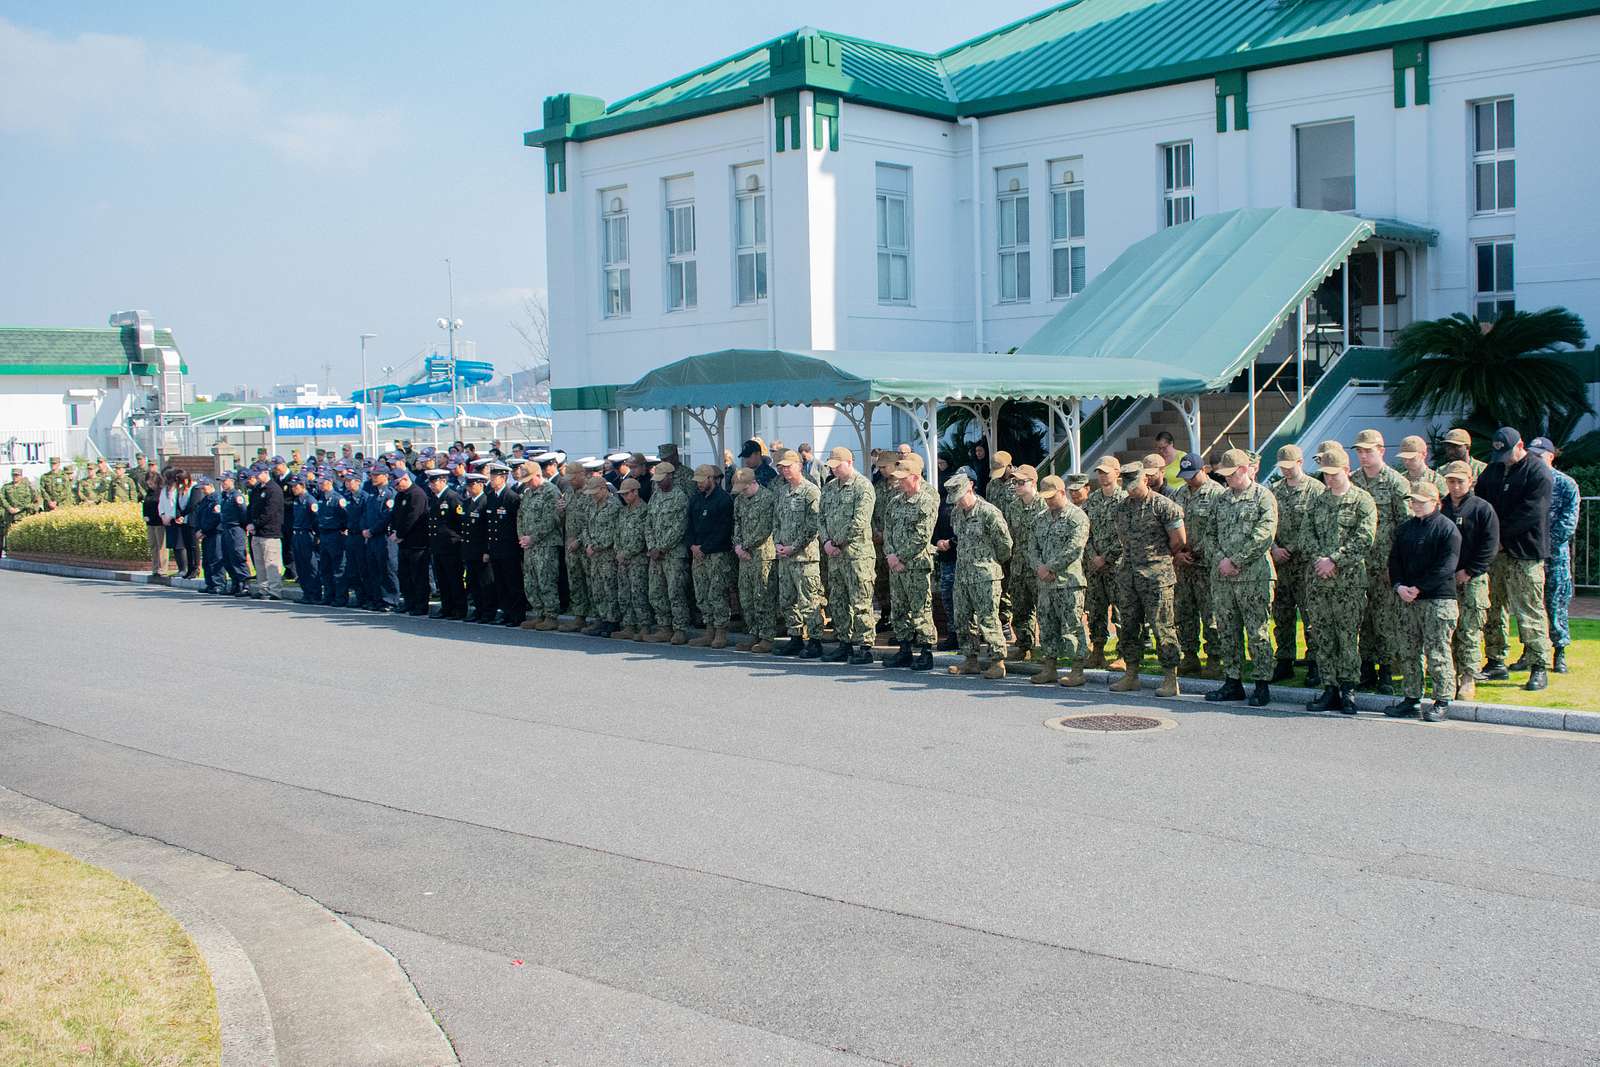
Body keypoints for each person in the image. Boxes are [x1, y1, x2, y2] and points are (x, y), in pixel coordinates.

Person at [1476, 427, 1554, 691]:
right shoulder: (1494, 470)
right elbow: (1482, 503)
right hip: (1496, 554)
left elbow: (1532, 512)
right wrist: (1489, 537)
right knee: (1493, 608)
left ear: (1521, 445)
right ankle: (1495, 660)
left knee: (1529, 610)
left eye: (1509, 453)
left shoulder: (1538, 471)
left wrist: (1499, 537)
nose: (1505, 459)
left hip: (1525, 552)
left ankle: (1539, 664)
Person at [1302, 443, 1377, 713]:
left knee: (1347, 637)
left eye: (1335, 473)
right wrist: (1320, 561)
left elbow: (1364, 538)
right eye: (1326, 473)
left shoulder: (1362, 500)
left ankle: (1348, 688)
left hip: (1349, 582)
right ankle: (1329, 687)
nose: (1330, 477)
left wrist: (1334, 559)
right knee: (1323, 635)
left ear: (1347, 470)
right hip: (1320, 582)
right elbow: (1306, 535)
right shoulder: (1318, 500)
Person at [1204, 449, 1279, 706]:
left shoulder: (1263, 497)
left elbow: (1264, 534)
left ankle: (1261, 683)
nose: (1227, 480)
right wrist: (1221, 560)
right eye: (1224, 475)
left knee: (1257, 631)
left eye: (1231, 474)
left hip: (1254, 577)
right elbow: (1209, 535)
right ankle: (1233, 680)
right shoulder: (1221, 500)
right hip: (1224, 578)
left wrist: (1236, 560)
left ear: (1245, 470)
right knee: (1227, 630)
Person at [1386, 482, 1462, 721]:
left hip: (1438, 599)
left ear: (1435, 501)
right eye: (1413, 501)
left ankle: (1442, 700)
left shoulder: (1446, 529)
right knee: (1409, 651)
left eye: (1421, 501)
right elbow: (1394, 560)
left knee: (1437, 651)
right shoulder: (1406, 528)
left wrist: (1419, 587)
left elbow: (1446, 567)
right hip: (1409, 599)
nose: (1416, 505)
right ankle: (1411, 698)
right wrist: (1399, 586)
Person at [1110, 459, 1186, 696]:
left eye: (1135, 482)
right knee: (1129, 626)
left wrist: (1159, 559)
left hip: (1156, 577)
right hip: (1129, 576)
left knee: (1162, 627)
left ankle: (1170, 678)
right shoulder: (1121, 508)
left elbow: (1179, 540)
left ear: (1146, 478)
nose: (1132, 488)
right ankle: (1131, 674)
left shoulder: (1163, 506)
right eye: (1127, 483)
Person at [1349, 429, 1411, 692]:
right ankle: (1365, 669)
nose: (1363, 456)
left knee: (1385, 619)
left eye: (1368, 451)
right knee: (1361, 617)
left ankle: (1386, 671)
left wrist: (1395, 566)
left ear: (1381, 451)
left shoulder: (1397, 483)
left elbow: (1406, 528)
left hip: (1385, 564)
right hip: (1358, 563)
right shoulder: (1353, 482)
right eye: (1360, 451)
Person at [944, 470, 1013, 679]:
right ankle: (970, 659)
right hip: (963, 574)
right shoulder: (957, 513)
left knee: (988, 618)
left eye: (960, 497)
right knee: (963, 618)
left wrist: (990, 564)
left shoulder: (988, 512)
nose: (958, 502)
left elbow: (1005, 545)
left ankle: (998, 661)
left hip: (985, 575)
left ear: (970, 488)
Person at [1440, 460, 1499, 699]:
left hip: (1473, 579)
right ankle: (1449, 674)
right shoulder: (1441, 507)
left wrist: (1470, 570)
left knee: (1471, 629)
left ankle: (1468, 677)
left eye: (1459, 482)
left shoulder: (1482, 508)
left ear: (1470, 481)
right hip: (1445, 580)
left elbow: (1490, 546)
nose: (1454, 487)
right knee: (1448, 629)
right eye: (1450, 481)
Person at [1269, 444, 1325, 685]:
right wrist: (1274, 549)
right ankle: (1284, 659)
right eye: (1282, 467)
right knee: (1281, 614)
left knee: (1310, 613)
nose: (1286, 472)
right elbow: (1268, 523)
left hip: (1305, 564)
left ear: (1300, 463)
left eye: (1290, 467)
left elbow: (1314, 526)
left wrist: (1290, 548)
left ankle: (1314, 661)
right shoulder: (1274, 491)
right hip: (1280, 563)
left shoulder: (1316, 489)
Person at [1028, 474, 1090, 687]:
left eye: (1051, 497)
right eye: (1045, 497)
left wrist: (1051, 567)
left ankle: (1077, 669)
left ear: (1062, 492)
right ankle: (1049, 667)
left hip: (1068, 582)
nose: (1048, 501)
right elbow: (1032, 547)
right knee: (1046, 625)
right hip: (1045, 584)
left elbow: (1074, 548)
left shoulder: (1077, 517)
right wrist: (1039, 568)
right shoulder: (1040, 519)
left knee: (1071, 625)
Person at [819, 446, 877, 665]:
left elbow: (860, 522)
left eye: (838, 466)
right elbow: (821, 518)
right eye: (832, 467)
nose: (834, 470)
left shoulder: (863, 487)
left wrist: (836, 542)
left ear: (850, 463)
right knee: (839, 600)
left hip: (857, 555)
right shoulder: (829, 488)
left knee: (861, 600)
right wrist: (826, 542)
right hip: (835, 556)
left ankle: (865, 646)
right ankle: (845, 643)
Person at [881, 455, 938, 671]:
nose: (899, 482)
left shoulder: (926, 500)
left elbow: (922, 535)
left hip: (916, 565)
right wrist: (890, 556)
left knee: (920, 608)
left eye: (903, 478)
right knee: (899, 608)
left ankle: (925, 651)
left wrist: (901, 557)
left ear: (915, 477)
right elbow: (889, 531)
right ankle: (904, 648)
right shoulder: (895, 502)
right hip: (896, 565)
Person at [1169, 452, 1221, 677]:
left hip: (1206, 565)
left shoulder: (1217, 494)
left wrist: (1197, 552)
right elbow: (1170, 526)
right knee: (1183, 613)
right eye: (1185, 476)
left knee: (1211, 615)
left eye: (1192, 475)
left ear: (1204, 470)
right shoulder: (1179, 494)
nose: (1188, 480)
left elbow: (1219, 530)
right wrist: (1177, 553)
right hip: (1183, 565)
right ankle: (1189, 656)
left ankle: (1215, 658)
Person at [772, 450, 826, 658]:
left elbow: (813, 525)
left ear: (799, 466)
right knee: (787, 599)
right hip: (785, 556)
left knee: (809, 600)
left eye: (789, 466)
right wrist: (778, 543)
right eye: (782, 467)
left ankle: (815, 640)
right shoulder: (782, 492)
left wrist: (794, 546)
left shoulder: (810, 491)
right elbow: (776, 521)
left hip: (804, 557)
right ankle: (795, 637)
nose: (785, 470)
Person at [1532, 437, 1579, 674]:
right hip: (1530, 555)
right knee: (1531, 607)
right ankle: (1531, 652)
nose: (1535, 459)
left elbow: (1568, 524)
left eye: (1539, 455)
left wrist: (1544, 545)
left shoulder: (1566, 484)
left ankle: (1559, 651)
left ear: (1551, 456)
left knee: (1556, 604)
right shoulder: (1529, 481)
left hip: (1555, 556)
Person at [1083, 455, 1127, 668]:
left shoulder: (1125, 499)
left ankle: (1124, 654)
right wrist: (1093, 556)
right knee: (1096, 609)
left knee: (1122, 610)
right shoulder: (1092, 500)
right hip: (1095, 566)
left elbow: (1126, 536)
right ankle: (1098, 650)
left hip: (1117, 565)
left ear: (1117, 473)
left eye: (1106, 472)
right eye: (1099, 472)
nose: (1101, 476)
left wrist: (1106, 558)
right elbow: (1086, 531)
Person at [685, 463, 736, 648]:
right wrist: (692, 546)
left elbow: (723, 529)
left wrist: (704, 548)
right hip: (698, 554)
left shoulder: (723, 500)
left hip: (717, 554)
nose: (698, 484)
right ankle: (709, 630)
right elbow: (689, 525)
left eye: (701, 481)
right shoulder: (695, 499)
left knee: (717, 593)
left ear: (710, 479)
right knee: (701, 593)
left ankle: (721, 630)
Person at [730, 467, 778, 652]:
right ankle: (753, 632)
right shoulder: (740, 500)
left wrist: (745, 546)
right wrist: (737, 546)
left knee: (762, 596)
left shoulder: (768, 498)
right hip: (744, 556)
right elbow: (737, 524)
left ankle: (767, 636)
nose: (741, 492)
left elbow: (765, 528)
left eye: (744, 488)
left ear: (753, 483)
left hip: (762, 555)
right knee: (746, 597)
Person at [644, 460, 692, 644]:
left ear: (670, 477)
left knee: (675, 592)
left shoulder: (680, 497)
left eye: (661, 479)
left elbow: (679, 526)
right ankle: (664, 626)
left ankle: (680, 628)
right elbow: (648, 523)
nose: (657, 482)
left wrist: (661, 547)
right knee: (656, 591)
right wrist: (652, 547)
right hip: (656, 554)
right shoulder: (655, 496)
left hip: (673, 554)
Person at [516, 459, 564, 631]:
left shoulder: (551, 491)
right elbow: (520, 516)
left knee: (546, 580)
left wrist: (533, 537)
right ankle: (539, 613)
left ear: (538, 475)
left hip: (546, 545)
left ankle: (551, 615)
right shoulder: (528, 493)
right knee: (530, 581)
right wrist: (522, 536)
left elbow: (551, 520)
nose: (527, 483)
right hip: (529, 545)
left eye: (529, 479)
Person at [1003, 465, 1045, 659]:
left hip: (1039, 566)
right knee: (1020, 608)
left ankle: (1046, 650)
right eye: (1015, 482)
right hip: (1019, 566)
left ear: (1033, 482)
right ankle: (1023, 645)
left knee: (1044, 609)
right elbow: (1010, 535)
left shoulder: (1044, 506)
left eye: (1021, 482)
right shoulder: (1013, 507)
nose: (1017, 486)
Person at [480, 463, 524, 626]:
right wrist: (487, 548)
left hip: (509, 549)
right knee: (501, 584)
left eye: (494, 477)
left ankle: (517, 615)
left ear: (503, 478)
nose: (491, 480)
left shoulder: (511, 497)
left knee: (513, 583)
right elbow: (487, 525)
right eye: (491, 476)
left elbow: (517, 524)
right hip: (495, 548)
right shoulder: (490, 496)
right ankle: (506, 612)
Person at [424, 469, 468, 620]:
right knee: (442, 579)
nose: (431, 485)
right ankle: (447, 607)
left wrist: (456, 539)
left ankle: (459, 609)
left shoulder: (452, 497)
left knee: (454, 579)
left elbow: (461, 521)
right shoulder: (434, 498)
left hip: (451, 546)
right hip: (438, 546)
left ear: (443, 481)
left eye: (434, 481)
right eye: (430, 482)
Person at [581, 478, 620, 636]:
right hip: (594, 555)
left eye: (595, 492)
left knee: (609, 587)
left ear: (604, 489)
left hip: (607, 555)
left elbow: (612, 531)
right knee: (597, 588)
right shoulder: (591, 505)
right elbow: (586, 526)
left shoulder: (613, 505)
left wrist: (596, 546)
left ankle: (612, 621)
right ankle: (602, 618)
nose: (593, 496)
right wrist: (588, 544)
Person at [614, 477, 652, 640]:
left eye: (626, 494)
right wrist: (618, 551)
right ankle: (629, 625)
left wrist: (627, 553)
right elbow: (617, 533)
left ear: (635, 492)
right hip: (623, 560)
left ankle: (644, 625)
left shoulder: (644, 510)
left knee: (638, 593)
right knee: (624, 593)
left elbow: (641, 537)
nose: (624, 497)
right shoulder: (623, 511)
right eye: (622, 495)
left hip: (638, 560)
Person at [359, 467, 399, 612]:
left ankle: (390, 599)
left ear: (386, 476)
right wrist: (364, 529)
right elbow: (364, 515)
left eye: (377, 475)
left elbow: (387, 517)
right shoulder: (372, 495)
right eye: (372, 475)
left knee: (387, 569)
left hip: (383, 537)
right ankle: (377, 599)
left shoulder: (389, 495)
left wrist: (372, 530)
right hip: (371, 538)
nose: (373, 477)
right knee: (373, 569)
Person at [246, 465, 285, 599]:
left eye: (258, 473)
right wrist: (250, 523)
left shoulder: (274, 489)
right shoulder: (257, 488)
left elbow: (270, 512)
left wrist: (255, 523)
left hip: (270, 532)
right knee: (259, 563)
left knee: (271, 562)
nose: (256, 476)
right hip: (257, 532)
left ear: (266, 472)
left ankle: (274, 590)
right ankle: (263, 589)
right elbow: (251, 508)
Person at [287, 475, 324, 605]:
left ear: (302, 486)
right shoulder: (297, 500)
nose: (293, 488)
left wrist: (318, 536)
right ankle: (306, 593)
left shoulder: (310, 501)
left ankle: (315, 593)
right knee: (301, 565)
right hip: (297, 533)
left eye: (295, 486)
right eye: (292, 486)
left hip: (307, 534)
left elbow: (316, 519)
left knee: (311, 564)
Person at [313, 473, 347, 606]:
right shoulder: (321, 498)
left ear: (330, 482)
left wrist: (341, 530)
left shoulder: (337, 498)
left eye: (322, 482)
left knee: (338, 567)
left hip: (335, 534)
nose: (320, 485)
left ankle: (340, 597)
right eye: (319, 483)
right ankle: (328, 595)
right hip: (324, 534)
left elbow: (344, 517)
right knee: (325, 567)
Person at [215, 471, 251, 595]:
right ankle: (235, 583)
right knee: (227, 557)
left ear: (231, 481)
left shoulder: (237, 496)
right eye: (221, 481)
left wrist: (242, 528)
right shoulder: (224, 496)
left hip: (235, 529)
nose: (223, 484)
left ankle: (245, 584)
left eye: (224, 481)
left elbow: (243, 514)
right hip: (225, 529)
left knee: (238, 556)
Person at [193, 476, 226, 593]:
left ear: (210, 486)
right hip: (206, 534)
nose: (202, 490)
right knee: (207, 559)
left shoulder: (216, 499)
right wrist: (198, 530)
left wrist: (203, 531)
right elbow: (199, 516)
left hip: (215, 533)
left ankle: (219, 583)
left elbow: (215, 518)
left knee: (216, 558)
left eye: (204, 487)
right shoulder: (205, 500)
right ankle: (210, 583)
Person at [141, 471, 167, 575]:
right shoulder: (149, 492)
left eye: (151, 483)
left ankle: (162, 568)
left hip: (159, 522)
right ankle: (155, 568)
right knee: (153, 545)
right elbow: (146, 505)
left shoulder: (161, 492)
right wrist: (145, 515)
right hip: (150, 523)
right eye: (148, 483)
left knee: (161, 546)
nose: (149, 485)